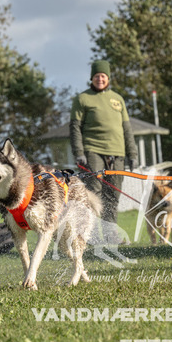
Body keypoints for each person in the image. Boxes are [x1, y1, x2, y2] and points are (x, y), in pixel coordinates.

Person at [70, 60, 139, 225]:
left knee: (113, 196)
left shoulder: (118, 99)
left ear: (108, 77)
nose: (100, 79)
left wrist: (133, 154)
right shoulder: (82, 99)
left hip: (117, 154)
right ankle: (91, 233)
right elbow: (75, 127)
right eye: (96, 76)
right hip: (93, 151)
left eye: (103, 76)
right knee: (94, 193)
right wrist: (79, 153)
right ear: (91, 78)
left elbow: (127, 129)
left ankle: (110, 234)